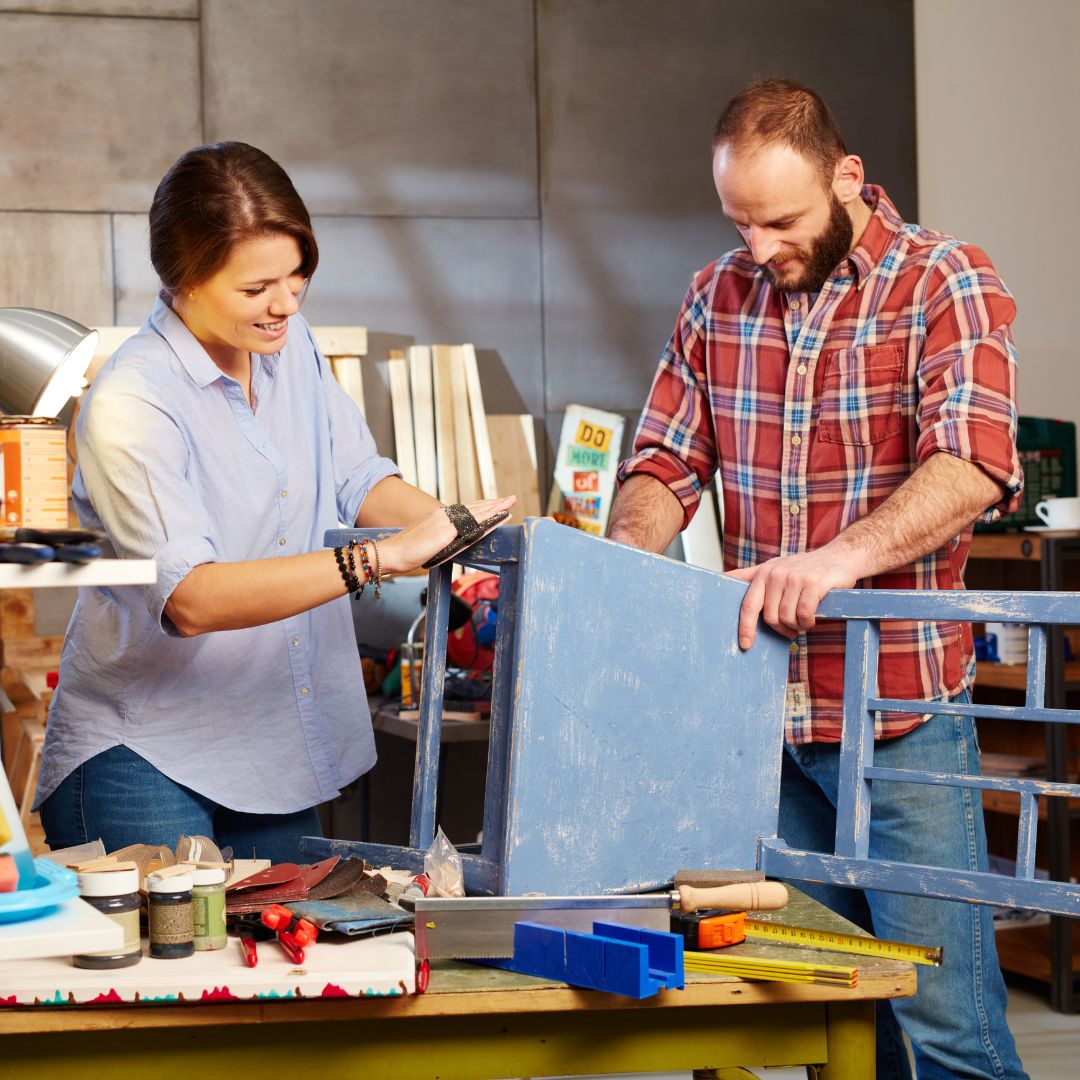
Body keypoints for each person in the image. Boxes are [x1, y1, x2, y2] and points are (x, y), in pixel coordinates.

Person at [608, 80, 1028, 1080]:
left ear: (847, 178)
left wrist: (836, 562)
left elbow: (973, 462)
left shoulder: (944, 280)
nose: (759, 248)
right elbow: (665, 460)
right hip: (765, 729)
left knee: (947, 1032)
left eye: (782, 220)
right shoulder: (718, 294)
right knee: (840, 1024)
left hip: (901, 726)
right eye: (740, 222)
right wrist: (624, 562)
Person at [35, 141, 514, 865]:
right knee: (182, 969)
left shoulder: (290, 348)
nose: (285, 304)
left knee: (289, 968)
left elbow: (359, 478)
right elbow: (190, 597)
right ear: (186, 280)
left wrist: (467, 537)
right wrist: (380, 558)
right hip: (148, 753)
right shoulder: (132, 403)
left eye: (298, 276)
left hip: (273, 745)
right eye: (258, 287)